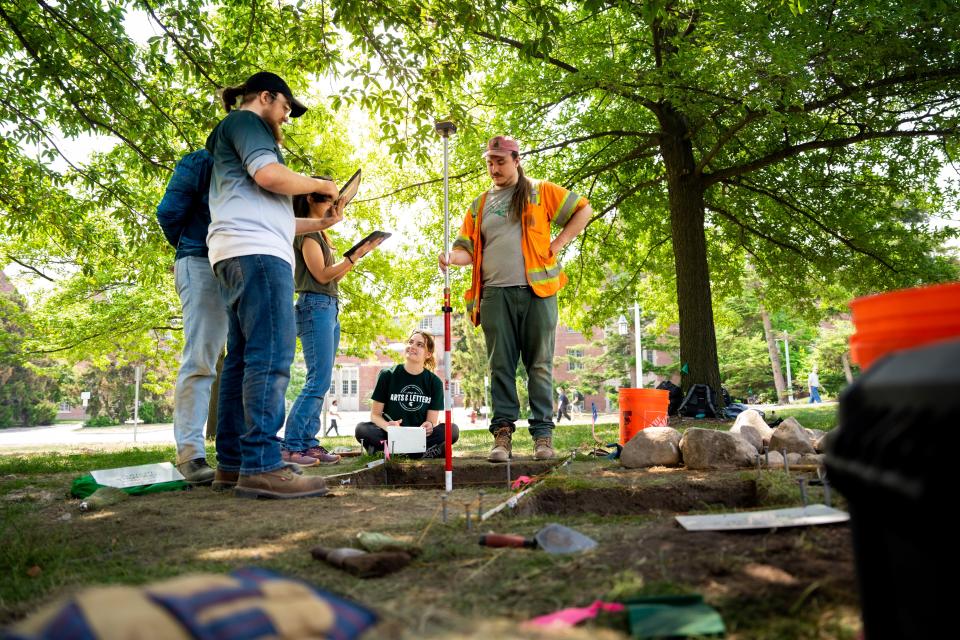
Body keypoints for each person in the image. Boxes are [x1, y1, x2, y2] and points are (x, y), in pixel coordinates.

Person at [205, 71, 342, 498]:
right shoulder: (249, 123)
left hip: (235, 251)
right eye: (285, 107)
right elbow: (269, 175)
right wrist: (321, 184)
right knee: (272, 354)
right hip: (259, 255)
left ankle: (232, 464)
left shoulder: (232, 135)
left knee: (244, 358)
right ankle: (263, 464)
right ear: (266, 97)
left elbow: (274, 211)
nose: (286, 117)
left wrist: (321, 222)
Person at [439, 135, 592, 462]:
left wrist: (559, 242)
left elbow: (584, 210)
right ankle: (503, 435)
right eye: (490, 162)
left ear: (516, 160)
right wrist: (451, 257)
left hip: (538, 295)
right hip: (494, 296)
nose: (494, 168)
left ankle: (542, 437)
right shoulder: (479, 205)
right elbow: (465, 249)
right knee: (501, 367)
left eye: (500, 161)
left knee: (539, 365)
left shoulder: (540, 191)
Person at [283, 193, 382, 466]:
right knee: (317, 380)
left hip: (328, 306)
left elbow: (333, 276)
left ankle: (308, 443)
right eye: (326, 199)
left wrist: (357, 255)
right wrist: (354, 256)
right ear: (309, 201)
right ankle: (292, 446)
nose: (333, 204)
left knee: (322, 381)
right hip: (314, 305)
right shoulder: (308, 236)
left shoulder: (321, 236)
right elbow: (321, 275)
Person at [156, 148, 225, 485]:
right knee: (200, 359)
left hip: (239, 267)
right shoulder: (202, 161)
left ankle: (239, 452)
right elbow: (169, 214)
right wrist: (192, 251)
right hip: (200, 262)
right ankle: (190, 455)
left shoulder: (261, 168)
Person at [354, 331, 459, 458]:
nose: (412, 346)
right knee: (361, 429)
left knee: (452, 430)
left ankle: (390, 452)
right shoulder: (387, 375)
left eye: (420, 345)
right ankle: (423, 453)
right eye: (410, 342)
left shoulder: (434, 382)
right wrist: (388, 427)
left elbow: (431, 421)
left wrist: (429, 426)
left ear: (428, 354)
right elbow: (375, 415)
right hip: (391, 434)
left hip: (419, 437)